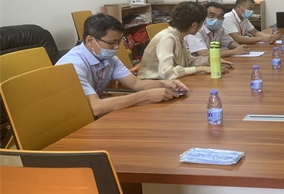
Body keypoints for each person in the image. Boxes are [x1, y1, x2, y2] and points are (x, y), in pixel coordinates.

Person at [56, 13, 189, 117]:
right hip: (73, 120)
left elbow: (136, 84)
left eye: (119, 41)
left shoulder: (108, 58)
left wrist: (164, 83)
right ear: (90, 40)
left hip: (92, 115)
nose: (116, 47)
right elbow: (96, 107)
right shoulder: (73, 65)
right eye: (112, 43)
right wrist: (146, 95)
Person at [137, 1, 234, 80]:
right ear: (194, 25)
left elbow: (188, 61)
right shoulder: (167, 38)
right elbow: (166, 73)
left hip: (169, 82)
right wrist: (201, 69)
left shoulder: (179, 36)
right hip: (152, 84)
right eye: (202, 23)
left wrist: (210, 60)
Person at [184, 2, 250, 57]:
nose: (216, 19)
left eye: (220, 16)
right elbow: (203, 54)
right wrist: (234, 51)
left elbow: (230, 42)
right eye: (212, 15)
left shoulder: (219, 29)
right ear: (204, 16)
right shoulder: (195, 30)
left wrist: (240, 47)